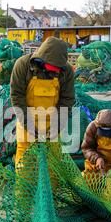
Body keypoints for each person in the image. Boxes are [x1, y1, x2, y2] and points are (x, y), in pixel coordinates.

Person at [10, 36, 75, 166]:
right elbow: (17, 97)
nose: (56, 70)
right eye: (53, 67)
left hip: (53, 123)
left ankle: (52, 186)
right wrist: (29, 126)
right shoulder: (23, 65)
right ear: (43, 59)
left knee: (53, 165)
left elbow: (67, 100)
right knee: (25, 165)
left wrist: (57, 126)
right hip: (27, 121)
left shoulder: (66, 70)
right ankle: (23, 187)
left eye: (58, 67)